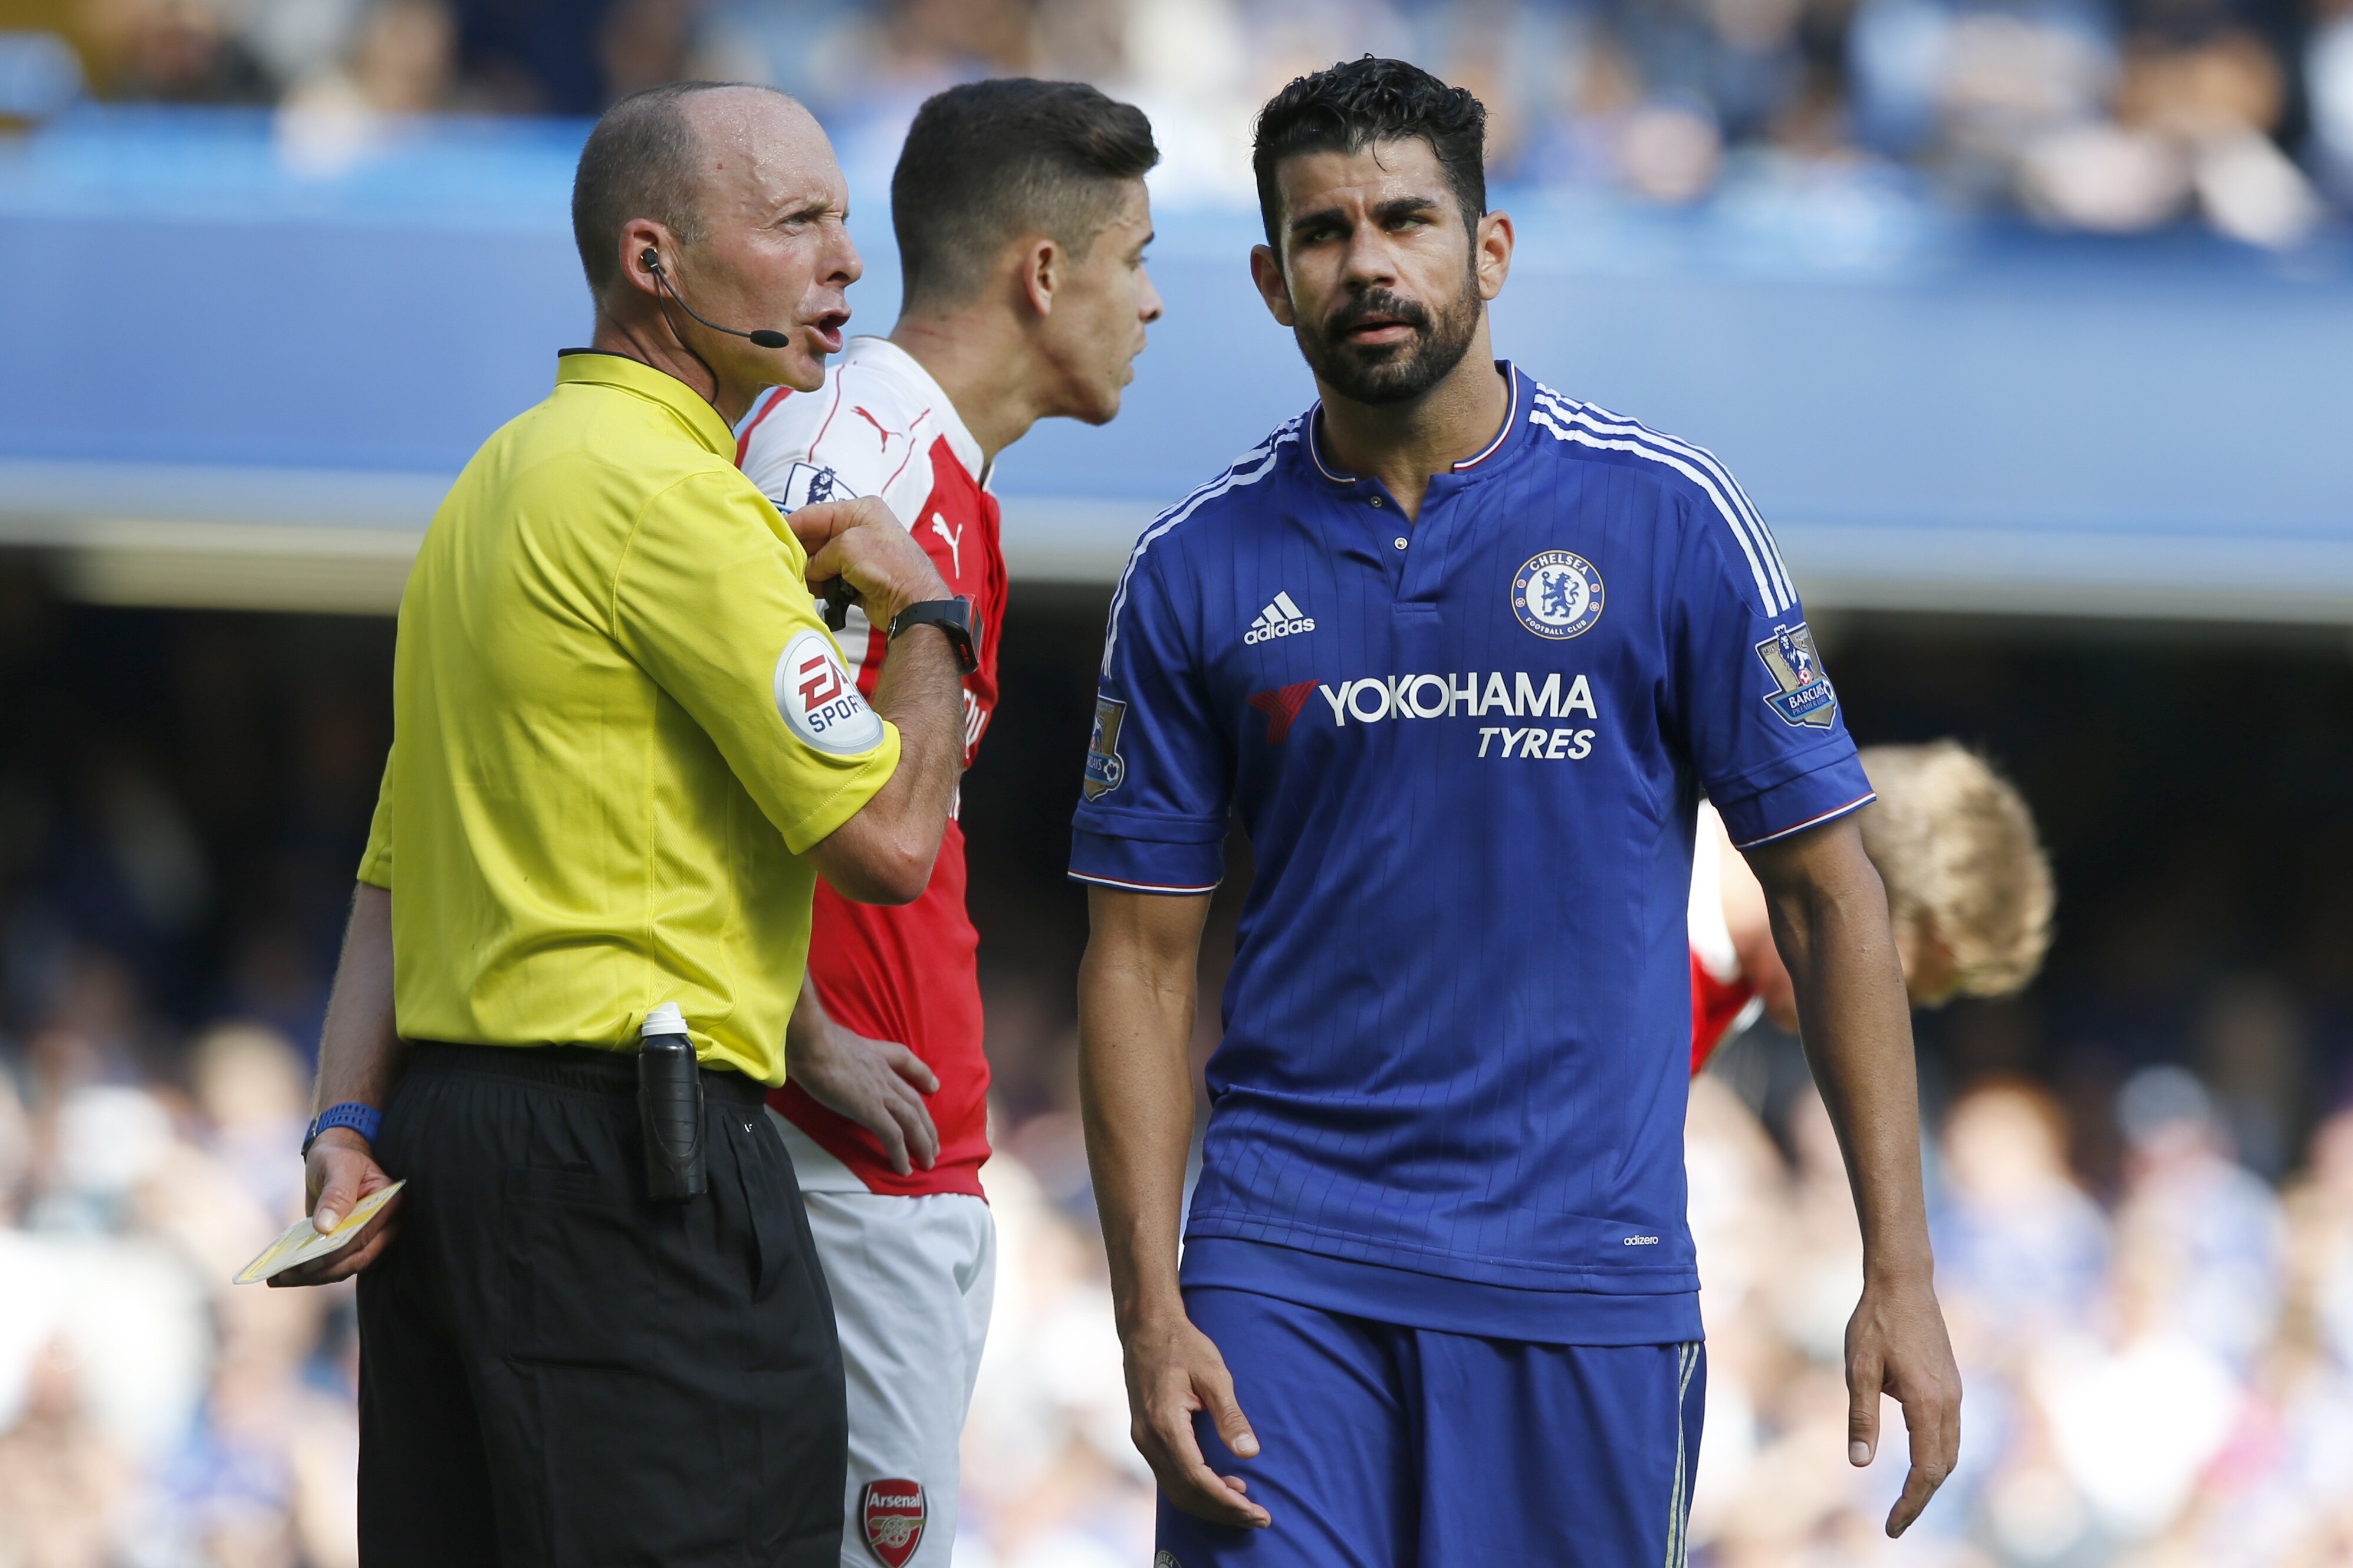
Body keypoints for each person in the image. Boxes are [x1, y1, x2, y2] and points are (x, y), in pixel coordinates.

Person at [1070, 57, 1963, 1566]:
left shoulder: (1670, 518)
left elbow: (1829, 894)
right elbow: (1139, 962)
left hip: (1587, 1282)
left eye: (1407, 221)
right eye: (1323, 232)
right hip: (1284, 1270)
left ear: (1489, 249)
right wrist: (1148, 1308)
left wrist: (1903, 1272)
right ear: (1272, 282)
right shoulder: (1192, 567)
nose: (1368, 263)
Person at [274, 82, 971, 1568]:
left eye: (844, 221)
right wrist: (928, 613)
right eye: (797, 221)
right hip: (631, 1167)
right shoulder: (681, 503)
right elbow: (891, 843)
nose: (846, 261)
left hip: (441, 1158)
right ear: (654, 260)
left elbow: (392, 875)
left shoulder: (487, 491)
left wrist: (344, 1123)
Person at [732, 77, 1161, 1567]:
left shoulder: (931, 470)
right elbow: (704, 765)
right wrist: (794, 1028)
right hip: (834, 1162)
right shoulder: (848, 459)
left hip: (893, 1159)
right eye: (1136, 259)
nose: (1152, 302)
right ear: (1044, 271)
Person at [1691, 739, 2056, 1069]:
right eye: (1901, 988)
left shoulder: (1729, 983)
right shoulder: (1665, 937)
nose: (1888, 1019)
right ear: (1850, 893)